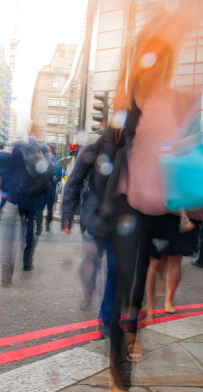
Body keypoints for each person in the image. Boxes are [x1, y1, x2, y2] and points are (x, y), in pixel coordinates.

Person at [103, 7, 203, 391]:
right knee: (126, 288)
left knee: (145, 286)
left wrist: (185, 147)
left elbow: (195, 151)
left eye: (164, 59)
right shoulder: (125, 102)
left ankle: (135, 333)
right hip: (129, 206)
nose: (157, 65)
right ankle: (119, 370)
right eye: (151, 57)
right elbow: (108, 152)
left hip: (163, 210)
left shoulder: (179, 101)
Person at [62, 132, 117, 337]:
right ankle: (88, 292)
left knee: (115, 272)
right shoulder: (93, 149)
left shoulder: (128, 149)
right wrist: (67, 212)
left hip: (120, 223)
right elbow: (74, 181)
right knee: (89, 266)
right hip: (95, 220)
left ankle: (107, 319)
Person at [0, 124, 54, 285]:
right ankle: (27, 261)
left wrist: (7, 192)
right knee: (30, 228)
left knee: (12, 229)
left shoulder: (18, 147)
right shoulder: (43, 149)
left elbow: (10, 171)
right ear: (38, 133)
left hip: (19, 195)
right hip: (35, 197)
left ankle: (7, 268)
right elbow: (48, 173)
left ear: (28, 131)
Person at [37, 145, 62, 233]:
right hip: (51, 187)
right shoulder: (56, 160)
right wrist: (55, 181)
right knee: (50, 208)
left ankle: (39, 227)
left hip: (42, 187)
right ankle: (47, 224)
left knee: (40, 207)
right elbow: (59, 173)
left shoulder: (42, 159)